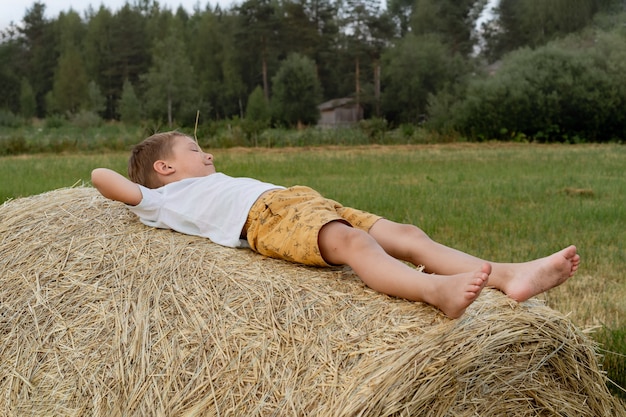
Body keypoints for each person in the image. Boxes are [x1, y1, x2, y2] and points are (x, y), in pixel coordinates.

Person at [91, 131, 580, 319]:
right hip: (266, 218)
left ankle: (509, 276)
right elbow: (103, 178)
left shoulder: (197, 179)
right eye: (195, 150)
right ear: (164, 168)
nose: (208, 152)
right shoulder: (162, 198)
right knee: (354, 244)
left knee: (407, 234)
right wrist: (142, 189)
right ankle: (434, 292)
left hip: (298, 200)